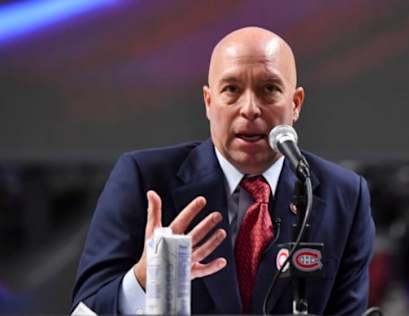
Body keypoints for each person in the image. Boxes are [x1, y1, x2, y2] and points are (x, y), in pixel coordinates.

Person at [71, 26, 375, 315]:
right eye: (231, 89)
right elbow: (84, 311)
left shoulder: (345, 196)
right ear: (208, 102)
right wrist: (144, 279)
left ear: (295, 104)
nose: (250, 108)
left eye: (269, 89)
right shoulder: (144, 179)